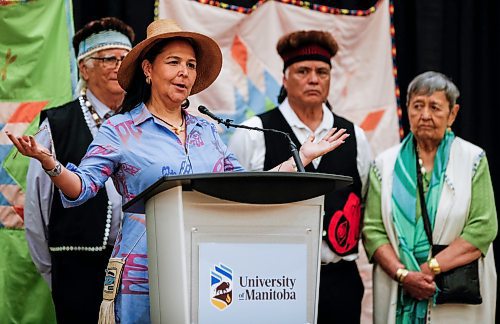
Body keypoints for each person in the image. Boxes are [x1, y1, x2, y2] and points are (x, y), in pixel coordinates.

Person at [6, 19, 349, 323]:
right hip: (142, 274)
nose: (185, 71)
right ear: (148, 70)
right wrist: (50, 163)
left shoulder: (208, 131)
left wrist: (300, 157)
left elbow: (244, 186)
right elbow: (81, 188)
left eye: (190, 64)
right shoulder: (120, 130)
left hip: (209, 268)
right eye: (174, 62)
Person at [228, 30, 372, 323]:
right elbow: (236, 206)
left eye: (322, 71)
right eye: (303, 71)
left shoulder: (354, 135)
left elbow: (365, 197)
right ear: (284, 78)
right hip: (272, 280)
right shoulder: (255, 132)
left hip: (340, 279)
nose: (314, 78)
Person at [21, 17, 134, 324]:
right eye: (109, 58)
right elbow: (36, 208)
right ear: (84, 68)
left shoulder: (143, 120)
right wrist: (55, 270)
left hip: (137, 266)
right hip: (77, 268)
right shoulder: (58, 125)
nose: (118, 66)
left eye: (125, 59)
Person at [362, 71, 497, 323]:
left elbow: (483, 227)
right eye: (417, 106)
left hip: (455, 297)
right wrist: (404, 275)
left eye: (434, 107)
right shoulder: (384, 165)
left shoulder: (472, 160)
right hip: (398, 287)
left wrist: (429, 269)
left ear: (452, 114)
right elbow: (372, 230)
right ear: (407, 110)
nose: (425, 115)